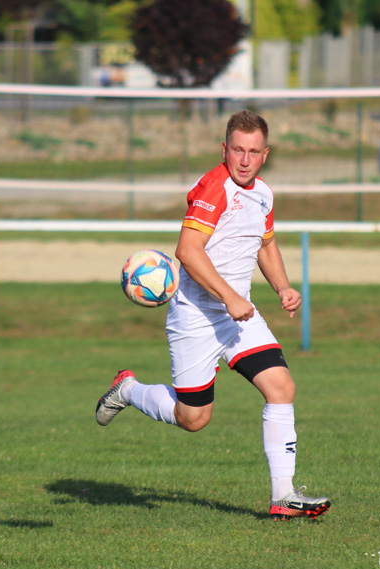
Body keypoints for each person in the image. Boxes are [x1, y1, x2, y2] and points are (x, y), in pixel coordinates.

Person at [96, 111, 331, 521]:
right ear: (224, 150)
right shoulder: (213, 188)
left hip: (239, 316)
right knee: (194, 419)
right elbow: (188, 251)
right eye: (237, 150)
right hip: (196, 317)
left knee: (282, 387)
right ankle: (129, 390)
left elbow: (265, 245)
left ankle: (284, 495)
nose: (244, 159)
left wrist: (283, 288)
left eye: (253, 152)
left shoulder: (264, 195)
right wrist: (227, 296)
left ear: (265, 155)